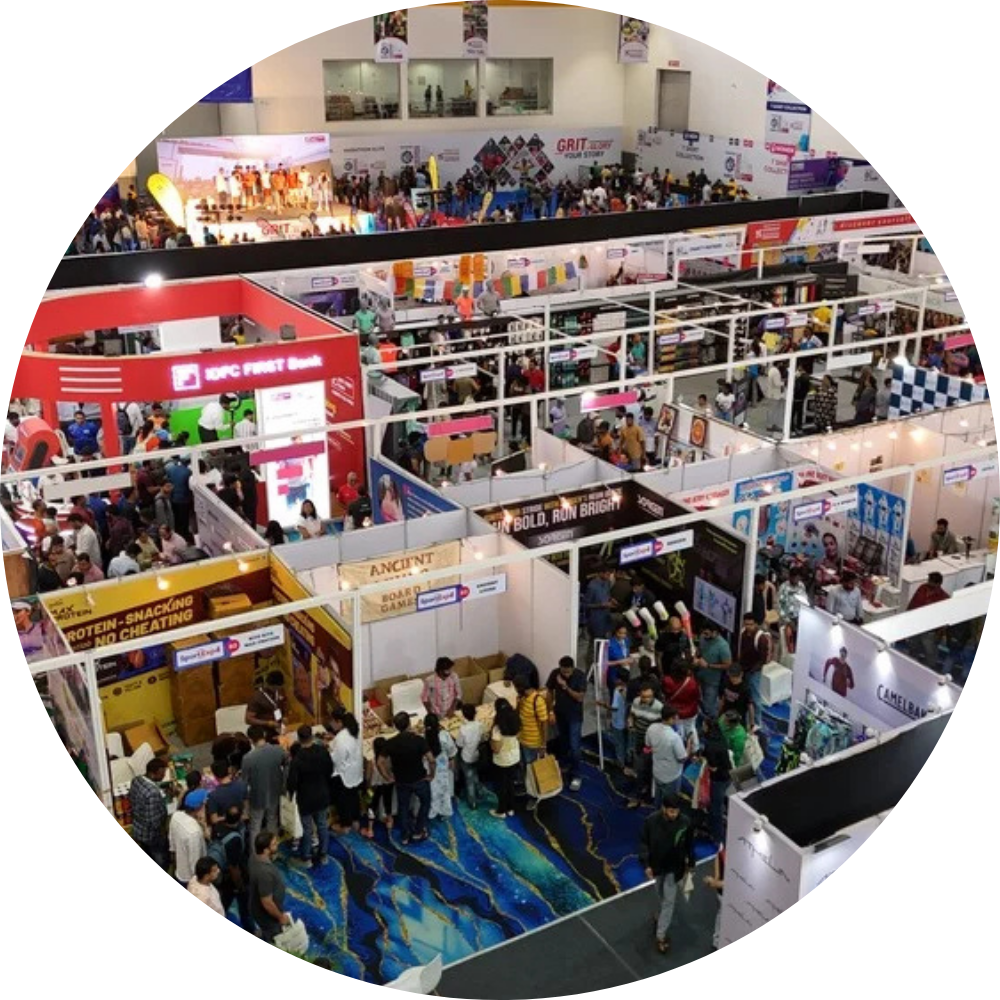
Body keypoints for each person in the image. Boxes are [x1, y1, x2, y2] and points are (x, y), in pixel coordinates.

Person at [639, 793, 695, 955]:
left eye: (676, 811)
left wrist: (691, 863)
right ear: (664, 808)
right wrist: (646, 864)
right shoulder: (651, 821)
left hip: (675, 868)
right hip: (657, 866)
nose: (674, 814)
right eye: (671, 811)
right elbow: (643, 843)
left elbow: (689, 844)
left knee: (669, 901)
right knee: (661, 895)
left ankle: (661, 935)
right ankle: (662, 915)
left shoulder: (685, 822)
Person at [286, 725, 333, 867]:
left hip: (305, 798)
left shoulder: (297, 758)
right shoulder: (322, 751)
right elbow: (330, 769)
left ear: (299, 738)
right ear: (311, 736)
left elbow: (292, 782)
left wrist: (290, 795)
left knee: (307, 829)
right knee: (322, 825)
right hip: (322, 793)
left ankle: (306, 858)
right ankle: (323, 854)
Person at [385, 713, 435, 846]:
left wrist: (387, 776)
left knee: (403, 807)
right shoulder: (419, 740)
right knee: (425, 802)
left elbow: (379, 761)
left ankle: (405, 835)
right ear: (409, 724)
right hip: (419, 779)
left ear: (396, 726)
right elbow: (431, 759)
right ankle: (419, 830)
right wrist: (432, 774)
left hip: (401, 781)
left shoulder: (391, 743)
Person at [210, 805, 254, 930]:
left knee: (224, 900)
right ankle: (250, 928)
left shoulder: (217, 827)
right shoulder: (234, 840)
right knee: (244, 906)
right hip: (232, 879)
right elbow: (234, 867)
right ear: (239, 819)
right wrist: (240, 886)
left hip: (220, 872)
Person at [546, 656, 586, 792]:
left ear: (573, 668)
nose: (566, 674)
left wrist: (565, 687)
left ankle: (576, 775)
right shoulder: (555, 674)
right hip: (560, 714)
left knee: (575, 746)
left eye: (568, 672)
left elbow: (580, 697)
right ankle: (563, 765)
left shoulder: (580, 676)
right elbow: (549, 691)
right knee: (563, 741)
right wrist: (550, 710)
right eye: (563, 672)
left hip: (575, 717)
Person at [241, 726, 286, 841]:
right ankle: (273, 847)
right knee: (273, 820)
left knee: (255, 826)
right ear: (264, 734)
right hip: (275, 792)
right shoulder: (278, 750)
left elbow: (244, 781)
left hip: (257, 796)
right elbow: (287, 763)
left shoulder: (248, 758)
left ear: (250, 740)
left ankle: (255, 850)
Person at [249, 831, 292, 945]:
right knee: (274, 938)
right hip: (267, 916)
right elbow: (267, 902)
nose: (277, 844)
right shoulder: (265, 872)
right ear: (265, 850)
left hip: (257, 907)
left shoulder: (254, 857)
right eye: (273, 844)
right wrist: (280, 917)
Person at [130, 758, 172, 870]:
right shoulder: (152, 792)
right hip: (151, 835)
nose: (164, 776)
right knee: (160, 858)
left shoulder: (136, 780)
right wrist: (163, 830)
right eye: (162, 774)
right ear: (153, 774)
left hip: (138, 828)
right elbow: (154, 821)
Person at [627, 681, 664, 808]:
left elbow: (661, 726)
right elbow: (632, 715)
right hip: (638, 739)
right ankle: (644, 789)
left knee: (643, 768)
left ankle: (639, 795)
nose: (646, 699)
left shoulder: (659, 707)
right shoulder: (636, 701)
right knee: (642, 768)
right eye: (643, 697)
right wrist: (630, 723)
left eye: (649, 697)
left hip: (650, 744)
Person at [327, 710, 365, 834]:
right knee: (354, 797)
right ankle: (355, 821)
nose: (330, 724)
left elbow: (337, 759)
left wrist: (329, 750)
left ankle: (345, 826)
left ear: (339, 722)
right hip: (355, 772)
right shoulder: (353, 731)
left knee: (342, 800)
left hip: (344, 774)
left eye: (332, 721)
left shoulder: (341, 738)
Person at [646, 705, 688, 806]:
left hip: (657, 772)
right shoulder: (674, 737)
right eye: (676, 717)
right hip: (671, 776)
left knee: (658, 798)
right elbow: (682, 758)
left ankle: (657, 812)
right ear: (671, 719)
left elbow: (648, 745)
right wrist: (689, 748)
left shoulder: (651, 728)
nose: (678, 719)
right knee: (671, 803)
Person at [699, 718, 732, 846]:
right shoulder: (721, 737)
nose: (702, 727)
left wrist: (703, 761)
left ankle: (717, 837)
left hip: (719, 779)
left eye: (704, 725)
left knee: (715, 809)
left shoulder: (711, 745)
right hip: (727, 775)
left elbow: (713, 768)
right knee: (719, 803)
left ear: (708, 727)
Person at [737, 614, 772, 727]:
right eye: (746, 624)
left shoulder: (761, 638)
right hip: (743, 669)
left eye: (751, 624)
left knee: (755, 698)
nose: (748, 627)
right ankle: (745, 719)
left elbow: (763, 659)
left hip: (754, 672)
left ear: (756, 624)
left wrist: (752, 671)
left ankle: (757, 723)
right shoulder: (743, 633)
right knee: (745, 696)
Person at [169, 787, 208, 887]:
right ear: (199, 808)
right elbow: (195, 865)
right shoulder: (194, 833)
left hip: (179, 871)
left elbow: (172, 844)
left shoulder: (176, 816)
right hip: (189, 880)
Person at [490, 699, 522, 819]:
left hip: (502, 761)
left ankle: (501, 810)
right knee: (511, 784)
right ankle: (511, 808)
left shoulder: (498, 729)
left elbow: (496, 749)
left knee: (501, 786)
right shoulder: (516, 723)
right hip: (514, 757)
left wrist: (491, 740)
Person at [694, 623, 733, 720]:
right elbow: (699, 650)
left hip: (712, 681)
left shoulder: (723, 646)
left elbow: (728, 665)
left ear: (715, 633)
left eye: (707, 633)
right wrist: (695, 657)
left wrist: (708, 665)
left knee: (709, 706)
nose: (704, 635)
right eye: (703, 633)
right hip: (699, 675)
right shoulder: (703, 638)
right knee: (700, 700)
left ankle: (712, 721)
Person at [423, 713, 458, 821]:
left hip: (429, 767)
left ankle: (431, 812)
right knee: (444, 789)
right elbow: (451, 750)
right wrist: (451, 759)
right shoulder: (444, 735)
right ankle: (445, 811)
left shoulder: (423, 737)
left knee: (431, 790)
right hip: (442, 766)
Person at [661, 660, 700, 752]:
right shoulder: (692, 683)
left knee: (678, 732)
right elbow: (697, 697)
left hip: (675, 712)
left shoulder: (667, 681)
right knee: (691, 728)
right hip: (690, 711)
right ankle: (695, 749)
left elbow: (665, 693)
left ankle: (680, 750)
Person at [455, 704, 483, 810]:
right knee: (475, 774)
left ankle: (472, 802)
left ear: (463, 715)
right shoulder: (479, 725)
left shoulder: (463, 729)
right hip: (476, 755)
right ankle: (480, 793)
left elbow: (459, 744)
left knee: (469, 780)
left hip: (466, 757)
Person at [206, 758, 249, 826]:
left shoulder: (213, 796)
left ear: (215, 776)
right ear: (228, 770)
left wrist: (229, 817)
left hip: (224, 827)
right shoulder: (242, 785)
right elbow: (246, 806)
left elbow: (214, 820)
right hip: (240, 824)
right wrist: (239, 816)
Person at [245, 671, 288, 738]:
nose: (277, 689)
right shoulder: (257, 697)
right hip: (264, 732)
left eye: (279, 687)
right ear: (268, 684)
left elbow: (283, 705)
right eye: (275, 687)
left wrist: (284, 717)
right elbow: (248, 719)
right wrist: (267, 723)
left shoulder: (280, 691)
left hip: (278, 729)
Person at [778, 567, 809, 654]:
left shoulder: (801, 585)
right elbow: (779, 607)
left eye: (798, 578)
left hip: (799, 618)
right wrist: (788, 621)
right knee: (787, 647)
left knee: (799, 644)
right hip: (787, 620)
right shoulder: (783, 587)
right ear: (790, 577)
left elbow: (805, 601)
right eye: (794, 578)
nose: (796, 580)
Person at [584, 566, 615, 640]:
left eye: (609, 575)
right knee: (598, 640)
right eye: (607, 575)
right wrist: (601, 605)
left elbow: (607, 594)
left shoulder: (607, 582)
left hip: (606, 616)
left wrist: (611, 599)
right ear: (601, 573)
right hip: (596, 618)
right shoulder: (591, 587)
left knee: (607, 638)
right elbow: (586, 605)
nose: (609, 577)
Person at [606, 622, 635, 690]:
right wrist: (621, 661)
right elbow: (605, 663)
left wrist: (630, 659)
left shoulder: (626, 640)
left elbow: (627, 654)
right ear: (616, 632)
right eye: (620, 633)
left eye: (624, 633)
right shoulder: (609, 644)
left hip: (625, 672)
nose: (622, 636)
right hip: (614, 674)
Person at [791, 367, 811, 434]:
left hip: (796, 398)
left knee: (793, 413)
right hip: (801, 398)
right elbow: (807, 388)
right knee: (799, 413)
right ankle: (799, 427)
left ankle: (792, 428)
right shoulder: (807, 377)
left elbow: (796, 388)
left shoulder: (799, 378)